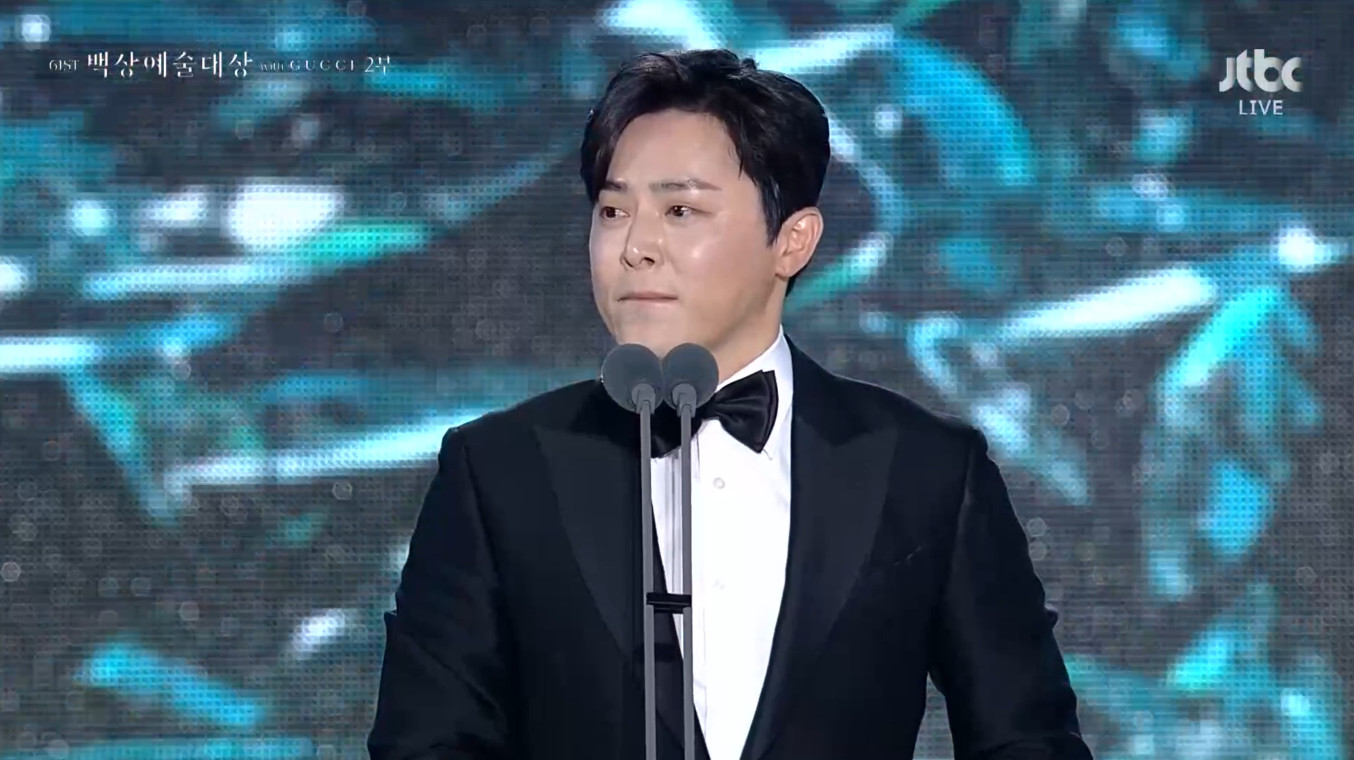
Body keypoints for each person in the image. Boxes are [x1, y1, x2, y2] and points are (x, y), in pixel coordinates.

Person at [368, 48, 1094, 760]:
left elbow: (1027, 739)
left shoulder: (928, 469)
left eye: (680, 209)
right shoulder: (498, 471)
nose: (635, 247)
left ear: (793, 241)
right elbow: (424, 742)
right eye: (613, 210)